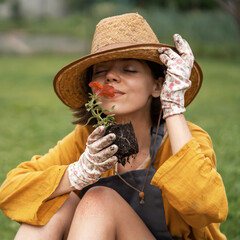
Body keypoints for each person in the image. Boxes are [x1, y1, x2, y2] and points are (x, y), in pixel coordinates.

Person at [0, 13, 228, 240]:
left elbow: (206, 208)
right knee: (55, 201)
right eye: (100, 71)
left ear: (159, 86)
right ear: (93, 90)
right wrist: (75, 174)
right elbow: (9, 192)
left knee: (99, 199)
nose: (110, 76)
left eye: (128, 69)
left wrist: (174, 107)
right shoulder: (88, 139)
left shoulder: (185, 138)